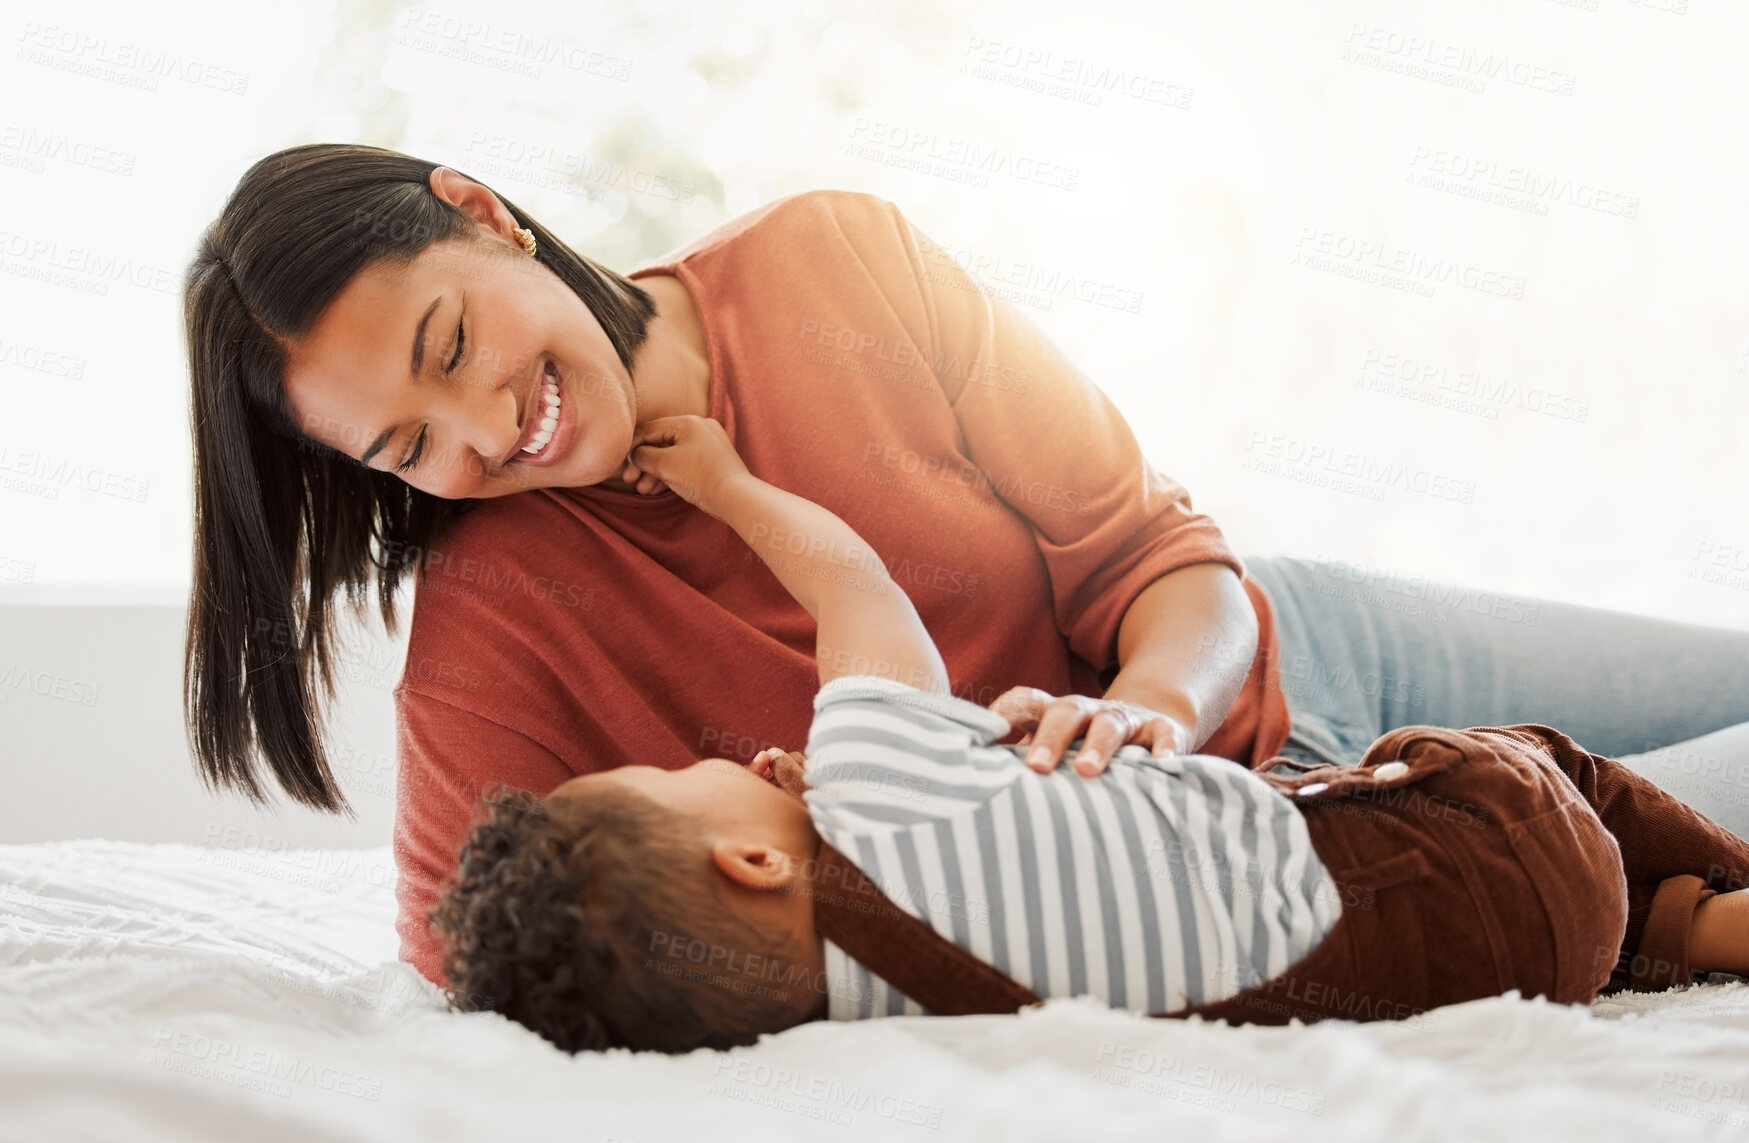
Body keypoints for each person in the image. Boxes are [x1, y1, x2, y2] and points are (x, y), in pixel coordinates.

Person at [182, 143, 1749, 990]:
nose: (484, 432)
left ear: (485, 214)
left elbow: (1154, 553)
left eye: (453, 348)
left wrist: (1147, 707)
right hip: (1289, 862)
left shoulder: (831, 259)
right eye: (406, 449)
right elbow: (476, 964)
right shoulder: (498, 612)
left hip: (1291, 652)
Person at [429, 414, 1749, 1053]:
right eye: (684, 777)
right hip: (1463, 848)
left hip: (1499, 970)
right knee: (1534, 764)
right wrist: (721, 482)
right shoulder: (872, 787)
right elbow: (852, 589)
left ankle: (1671, 935)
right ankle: (1717, 878)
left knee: (1554, 896)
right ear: (752, 860)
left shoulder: (865, 1027)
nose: (726, 758)